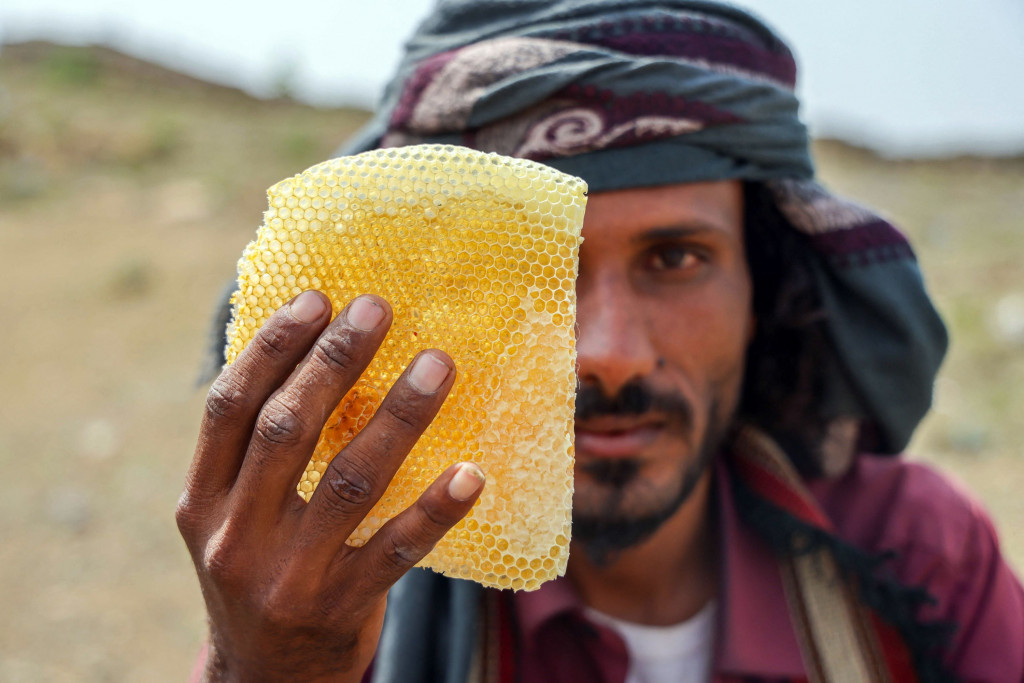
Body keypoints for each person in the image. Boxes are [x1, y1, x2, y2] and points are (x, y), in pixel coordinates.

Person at [176, 1, 1024, 681]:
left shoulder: (918, 553)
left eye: (676, 258)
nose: (610, 352)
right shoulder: (330, 610)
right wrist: (266, 668)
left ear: (764, 290)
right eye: (541, 274)